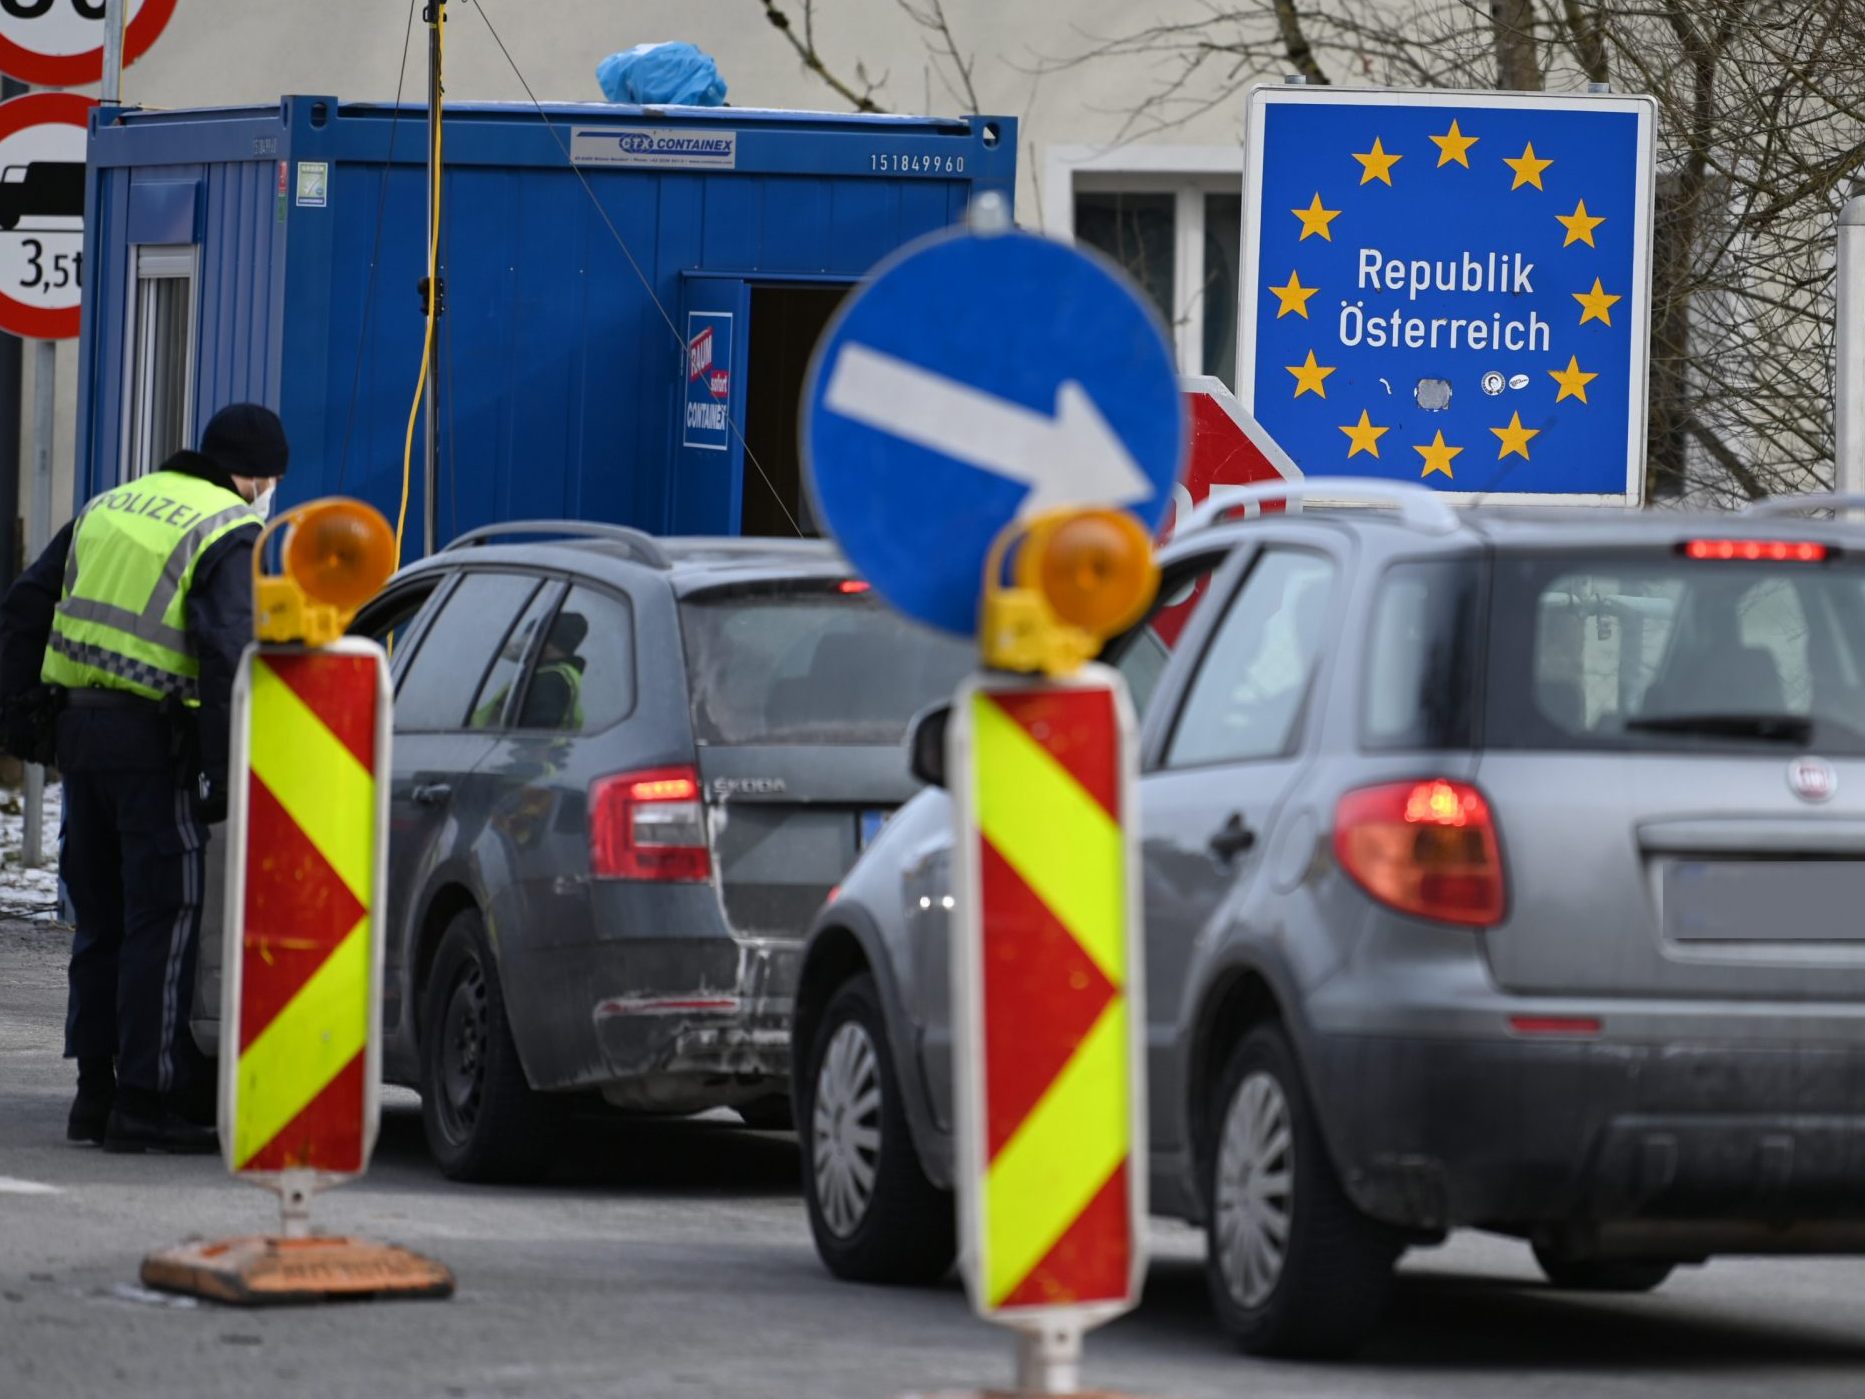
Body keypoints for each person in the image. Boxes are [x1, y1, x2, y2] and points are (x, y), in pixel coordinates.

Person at [0, 404, 285, 1153]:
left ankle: (92, 1095)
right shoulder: (229, 529)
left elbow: (25, 604)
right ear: (255, 476)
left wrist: (21, 716)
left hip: (82, 740)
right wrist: (228, 774)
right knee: (164, 918)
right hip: (157, 749)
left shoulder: (109, 503)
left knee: (102, 920)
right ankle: (145, 1102)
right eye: (269, 480)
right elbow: (230, 655)